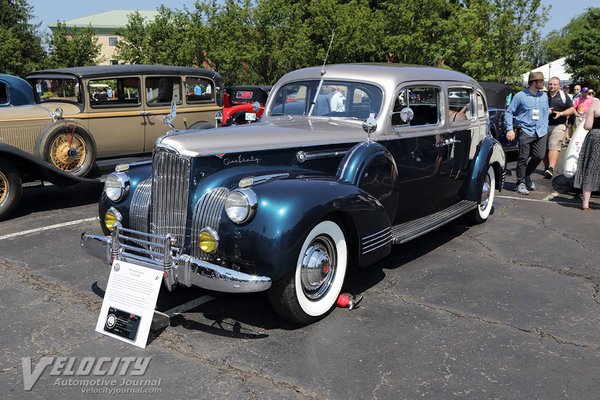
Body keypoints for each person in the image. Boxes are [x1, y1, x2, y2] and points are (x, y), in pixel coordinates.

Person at [505, 71, 549, 195]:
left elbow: (545, 113)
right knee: (523, 157)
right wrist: (509, 128)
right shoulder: (520, 96)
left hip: (541, 131)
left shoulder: (544, 96)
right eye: (541, 81)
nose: (543, 83)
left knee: (539, 156)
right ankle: (520, 182)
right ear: (533, 82)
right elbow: (509, 112)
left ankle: (527, 175)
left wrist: (545, 126)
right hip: (525, 130)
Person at [543, 77, 575, 178]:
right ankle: (547, 167)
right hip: (543, 125)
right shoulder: (543, 95)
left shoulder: (563, 96)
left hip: (558, 125)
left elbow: (572, 109)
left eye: (554, 84)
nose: (552, 86)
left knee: (554, 145)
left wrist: (561, 113)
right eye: (550, 84)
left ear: (559, 86)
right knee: (543, 148)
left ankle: (551, 168)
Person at [573, 99, 600, 210]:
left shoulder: (596, 104)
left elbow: (587, 126)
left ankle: (585, 202)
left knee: (591, 168)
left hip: (596, 136)